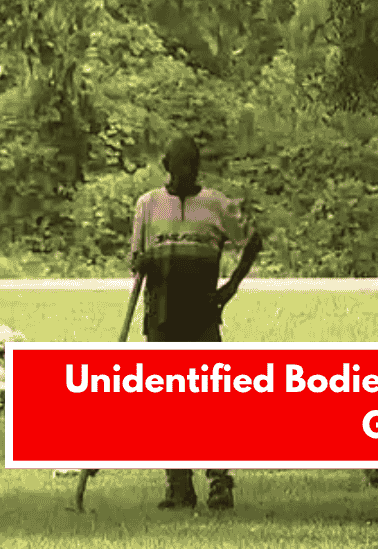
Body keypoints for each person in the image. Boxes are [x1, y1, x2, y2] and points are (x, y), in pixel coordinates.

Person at [130, 134, 264, 511]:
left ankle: (220, 482)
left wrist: (229, 289)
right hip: (160, 316)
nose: (184, 173)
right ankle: (178, 486)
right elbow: (137, 258)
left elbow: (253, 242)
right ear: (165, 165)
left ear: (198, 167)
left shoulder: (217, 204)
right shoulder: (147, 205)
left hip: (202, 315)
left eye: (191, 166)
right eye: (177, 166)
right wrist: (143, 263)